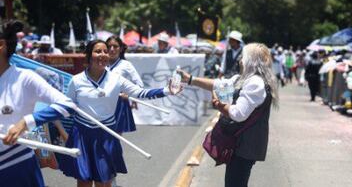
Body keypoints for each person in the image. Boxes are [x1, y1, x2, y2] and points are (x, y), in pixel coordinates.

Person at [57, 39, 176, 186]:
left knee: (104, 182)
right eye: (98, 51)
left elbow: (140, 92)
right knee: (83, 182)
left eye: (105, 51)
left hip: (106, 135)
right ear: (89, 55)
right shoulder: (76, 80)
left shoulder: (116, 79)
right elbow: (67, 108)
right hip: (82, 135)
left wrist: (166, 91)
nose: (103, 54)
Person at [178, 42, 279, 187]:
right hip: (240, 142)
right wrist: (190, 79)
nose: (239, 60)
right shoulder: (244, 78)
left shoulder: (255, 83)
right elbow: (218, 84)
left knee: (235, 183)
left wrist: (218, 104)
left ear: (250, 61)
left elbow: (238, 114)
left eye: (243, 57)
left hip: (245, 145)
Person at [0, 19, 78, 186]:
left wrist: (26, 122)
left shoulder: (24, 78)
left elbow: (68, 105)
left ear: (1, 45)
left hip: (17, 165)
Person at [105, 35, 143, 133]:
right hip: (101, 101)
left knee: (115, 135)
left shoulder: (126, 65)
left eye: (115, 46)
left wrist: (129, 94)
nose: (112, 49)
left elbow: (139, 84)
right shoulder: (101, 63)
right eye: (109, 46)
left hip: (118, 103)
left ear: (121, 49)